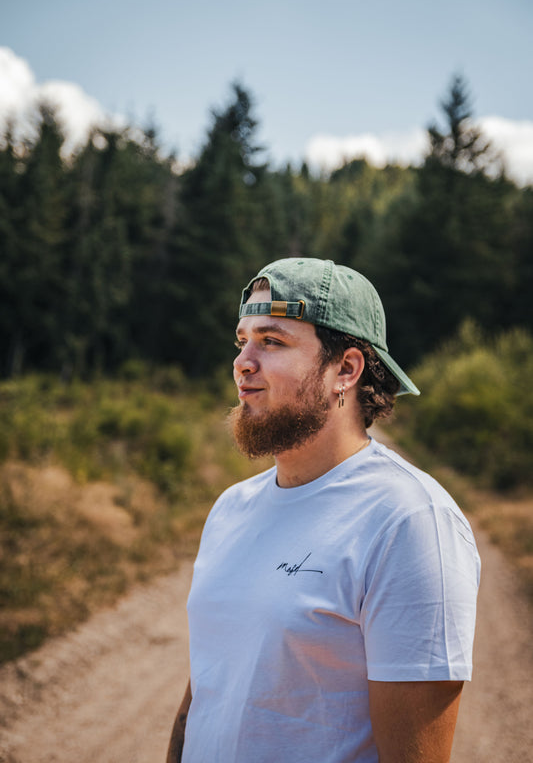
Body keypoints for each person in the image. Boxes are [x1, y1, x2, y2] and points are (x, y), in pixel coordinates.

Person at [167, 257, 480, 763]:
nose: (243, 362)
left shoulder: (410, 522)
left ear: (347, 369)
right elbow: (208, 688)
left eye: (272, 341)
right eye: (242, 340)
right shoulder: (231, 507)